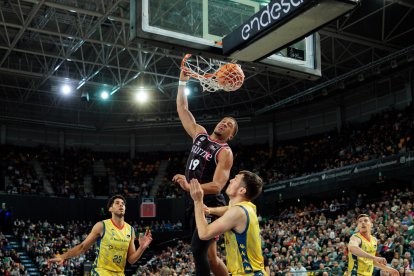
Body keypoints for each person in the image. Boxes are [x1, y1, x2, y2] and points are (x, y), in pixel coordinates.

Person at [173, 71, 237, 276]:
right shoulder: (199, 134)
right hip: (194, 201)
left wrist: (190, 185)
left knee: (198, 251)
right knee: (211, 257)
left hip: (210, 204)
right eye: (223, 120)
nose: (224, 123)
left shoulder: (225, 152)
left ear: (231, 135)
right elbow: (182, 108)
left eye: (229, 125)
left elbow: (218, 185)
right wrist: (183, 80)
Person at [48, 195, 152, 275]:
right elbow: (82, 247)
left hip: (119, 273)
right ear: (110, 209)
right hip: (101, 271)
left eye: (123, 204)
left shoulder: (130, 230)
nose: (121, 205)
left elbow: (131, 259)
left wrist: (142, 248)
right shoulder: (101, 226)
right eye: (117, 203)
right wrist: (63, 257)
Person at [188, 170, 266, 275]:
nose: (230, 180)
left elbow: (204, 233)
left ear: (242, 190)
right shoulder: (247, 207)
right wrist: (210, 210)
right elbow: (228, 209)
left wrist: (198, 201)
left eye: (235, 179)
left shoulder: (238, 212)